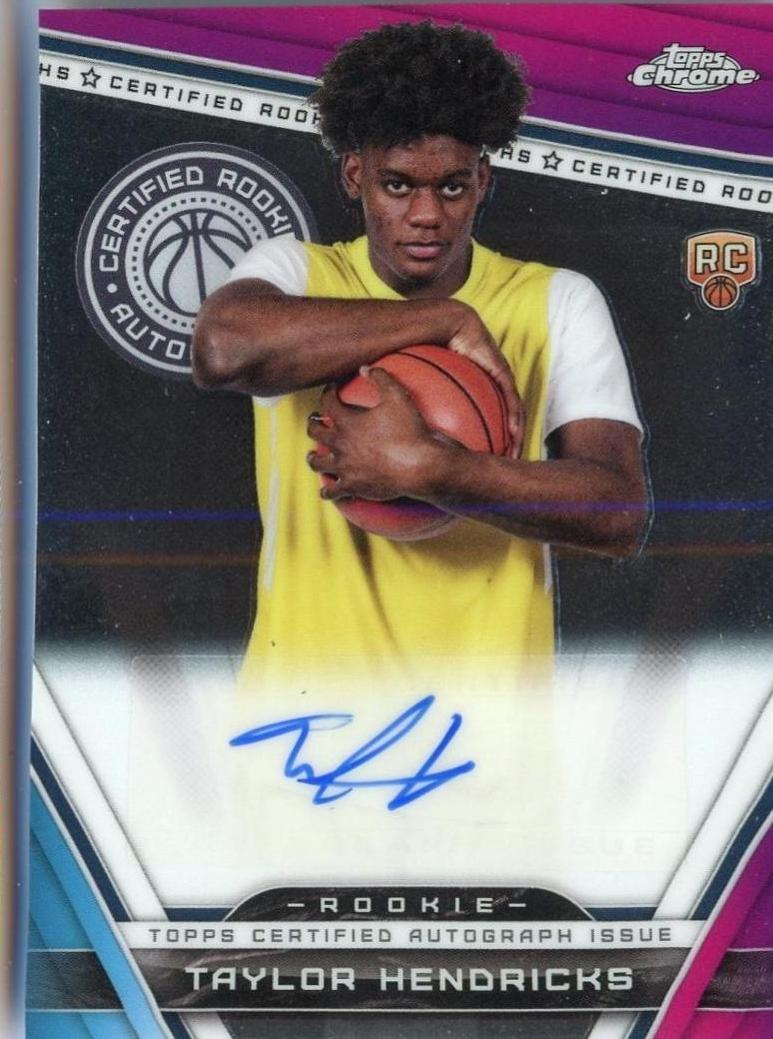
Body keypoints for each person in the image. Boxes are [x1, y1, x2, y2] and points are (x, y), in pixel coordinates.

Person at [192, 20, 647, 695]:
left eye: (452, 187)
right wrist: (443, 318)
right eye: (399, 185)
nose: (426, 214)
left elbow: (617, 512)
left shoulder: (555, 301)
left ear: (483, 179)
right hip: (301, 720)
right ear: (355, 175)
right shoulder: (296, 272)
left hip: (487, 728)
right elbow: (220, 348)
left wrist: (436, 469)